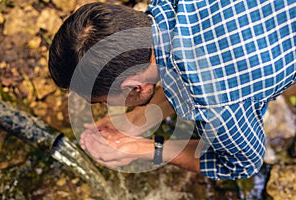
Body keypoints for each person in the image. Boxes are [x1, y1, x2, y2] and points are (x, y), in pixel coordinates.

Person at [48, 1, 296, 180]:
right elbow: (182, 61)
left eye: (103, 102)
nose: (109, 107)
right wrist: (138, 120)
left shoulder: (215, 105)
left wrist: (145, 149)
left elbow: (241, 165)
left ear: (134, 87)